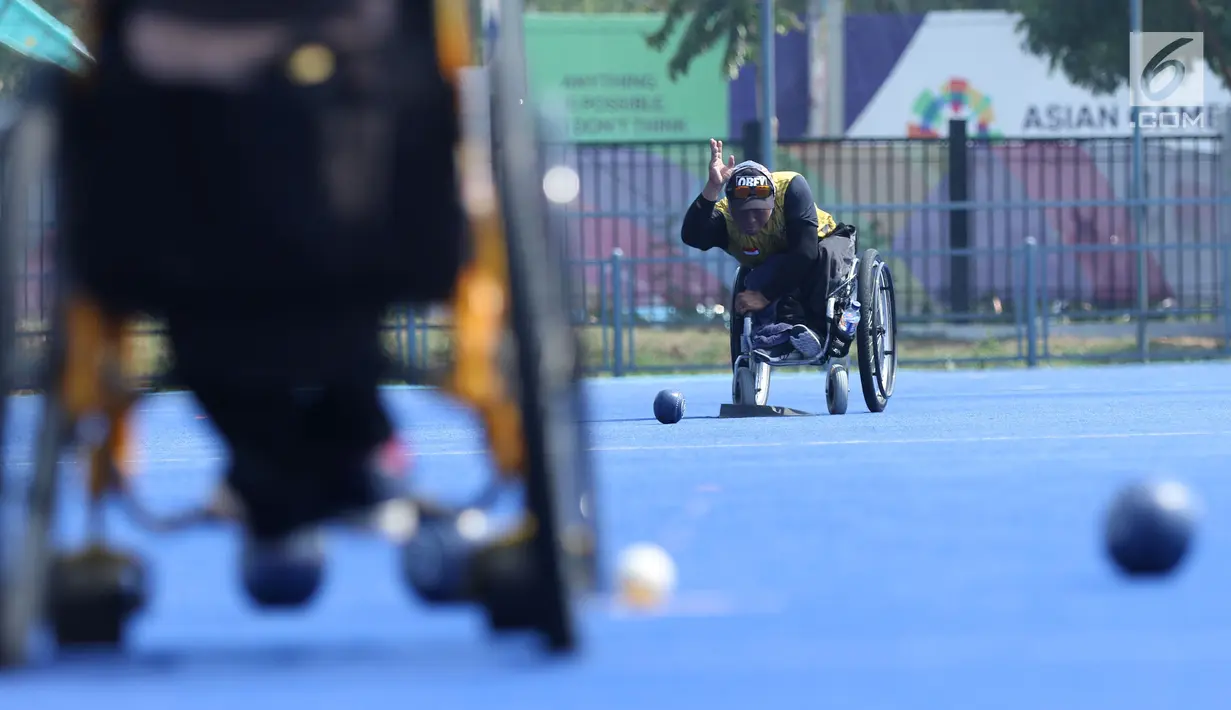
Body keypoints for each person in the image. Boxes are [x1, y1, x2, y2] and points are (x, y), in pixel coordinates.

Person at [680, 139, 858, 364]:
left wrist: (764, 296)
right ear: (731, 207)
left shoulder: (792, 187)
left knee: (824, 257)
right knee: (759, 276)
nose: (751, 219)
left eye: (758, 212)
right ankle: (776, 334)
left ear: (773, 204)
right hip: (775, 264)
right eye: (743, 212)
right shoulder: (724, 215)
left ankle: (818, 331)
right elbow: (692, 236)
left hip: (823, 244)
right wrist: (712, 187)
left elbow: (805, 253)